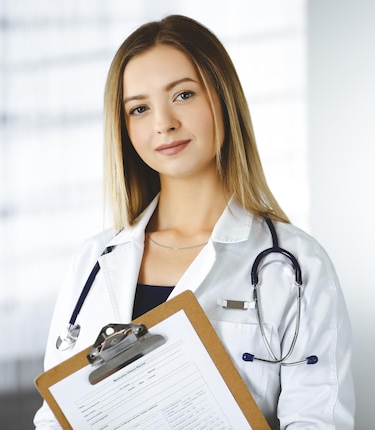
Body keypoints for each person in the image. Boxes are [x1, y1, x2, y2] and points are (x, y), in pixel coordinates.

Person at [34, 14, 355, 429]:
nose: (163, 123)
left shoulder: (294, 266)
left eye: (183, 95)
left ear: (222, 97)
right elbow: (56, 416)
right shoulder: (95, 260)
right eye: (139, 108)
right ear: (124, 128)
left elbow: (318, 421)